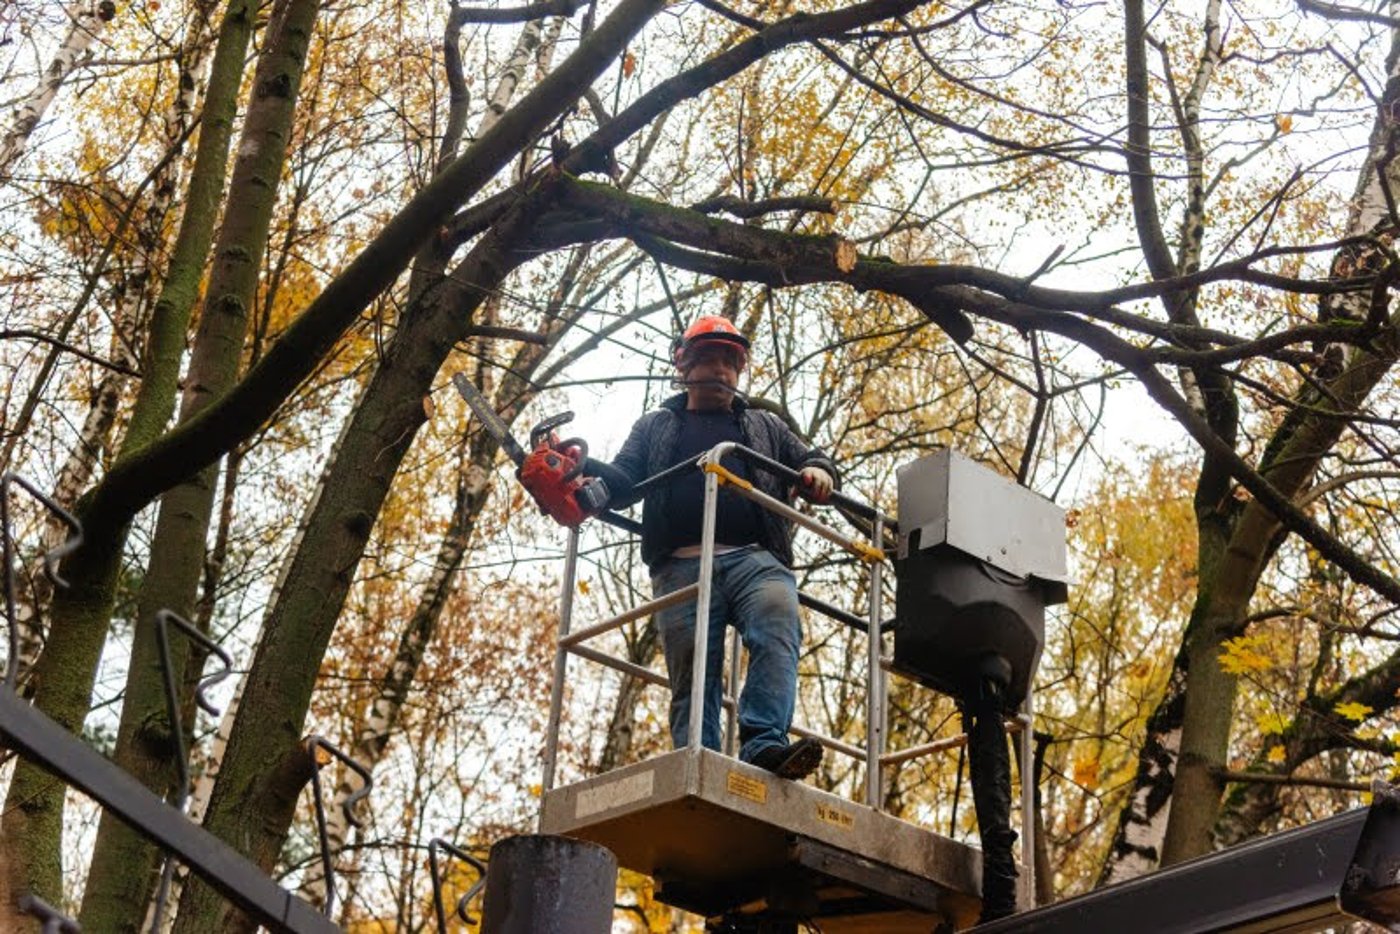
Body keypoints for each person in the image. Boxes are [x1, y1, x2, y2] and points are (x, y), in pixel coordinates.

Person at [585, 315, 837, 780]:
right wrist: (584, 471)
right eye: (709, 358)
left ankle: (763, 745)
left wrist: (819, 472)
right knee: (692, 670)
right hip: (680, 565)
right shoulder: (657, 426)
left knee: (778, 619)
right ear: (685, 366)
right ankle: (698, 759)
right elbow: (623, 480)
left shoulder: (765, 425)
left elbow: (812, 458)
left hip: (755, 559)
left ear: (739, 371)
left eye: (729, 361)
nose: (720, 369)